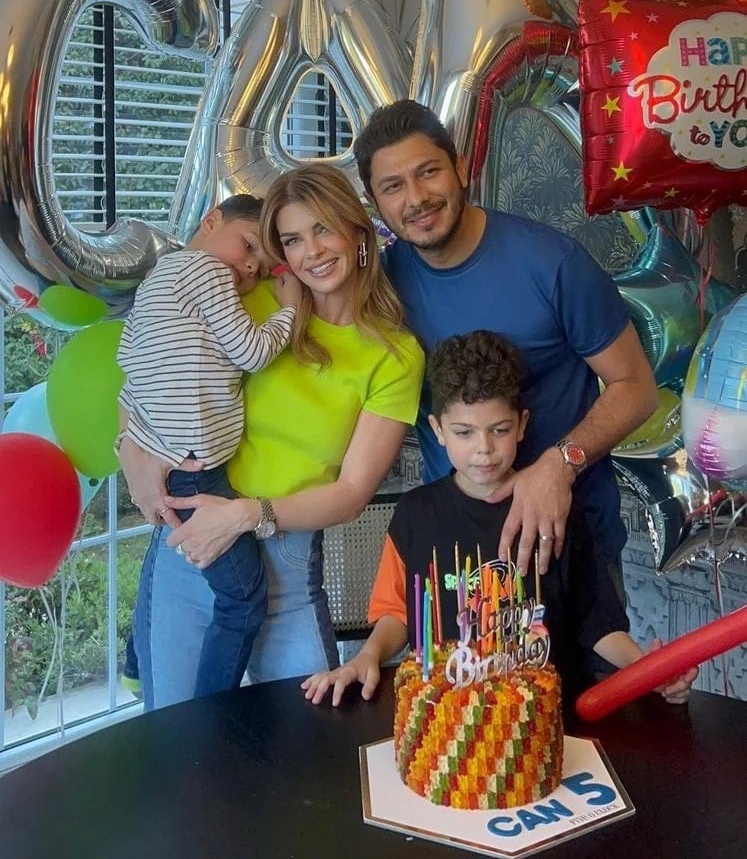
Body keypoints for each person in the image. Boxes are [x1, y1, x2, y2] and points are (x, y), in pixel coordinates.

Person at [119, 165, 425, 710]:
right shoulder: (247, 300)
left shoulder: (395, 355)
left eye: (323, 228)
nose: (312, 252)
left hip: (287, 567)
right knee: (177, 738)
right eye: (292, 239)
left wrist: (246, 515)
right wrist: (130, 455)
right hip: (190, 555)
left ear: (358, 232)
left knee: (306, 742)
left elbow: (352, 492)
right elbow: (145, 377)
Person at [302, 330, 697, 708]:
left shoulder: (555, 509)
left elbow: (597, 622)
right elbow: (397, 614)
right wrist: (367, 655)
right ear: (438, 430)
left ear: (521, 425)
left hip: (545, 719)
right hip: (449, 719)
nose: (484, 449)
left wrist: (648, 669)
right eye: (464, 432)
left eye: (500, 430)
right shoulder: (415, 515)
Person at [353, 100, 659, 582]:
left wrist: (560, 464)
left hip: (571, 548)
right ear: (374, 200)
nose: (416, 198)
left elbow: (637, 388)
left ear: (460, 168)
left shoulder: (553, 264)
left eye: (429, 172)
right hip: (457, 555)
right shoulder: (382, 289)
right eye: (393, 186)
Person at [117, 194, 302, 698]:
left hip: (168, 458)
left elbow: (128, 367)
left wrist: (133, 443)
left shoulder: (154, 283)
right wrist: (289, 311)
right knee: (243, 600)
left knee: (183, 574)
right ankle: (210, 710)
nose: (251, 267)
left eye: (262, 264)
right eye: (248, 246)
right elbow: (251, 351)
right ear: (211, 220)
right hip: (195, 470)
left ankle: (139, 663)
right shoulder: (207, 271)